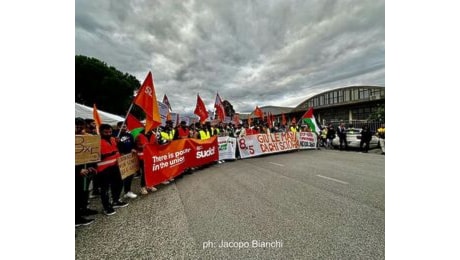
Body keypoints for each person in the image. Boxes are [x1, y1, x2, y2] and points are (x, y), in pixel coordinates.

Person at [96, 124, 128, 216]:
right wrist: (109, 154)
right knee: (105, 189)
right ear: (101, 132)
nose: (108, 133)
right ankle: (107, 207)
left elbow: (121, 149)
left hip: (115, 166)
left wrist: (120, 143)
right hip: (103, 169)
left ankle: (116, 200)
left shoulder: (114, 139)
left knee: (118, 183)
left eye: (110, 132)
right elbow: (94, 156)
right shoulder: (96, 141)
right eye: (106, 132)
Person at [75, 117, 98, 227]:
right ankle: (76, 218)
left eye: (81, 125)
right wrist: (78, 170)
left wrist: (91, 166)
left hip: (85, 170)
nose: (78, 128)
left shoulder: (88, 138)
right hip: (77, 172)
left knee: (84, 192)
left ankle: (83, 209)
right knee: (76, 194)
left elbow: (90, 154)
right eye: (76, 125)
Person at [115, 122, 138, 199]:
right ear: (118, 127)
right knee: (120, 177)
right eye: (121, 126)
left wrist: (133, 148)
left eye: (125, 126)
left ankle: (127, 191)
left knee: (130, 175)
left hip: (129, 157)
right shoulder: (115, 136)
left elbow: (133, 144)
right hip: (120, 158)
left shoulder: (130, 135)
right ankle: (116, 197)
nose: (123, 127)